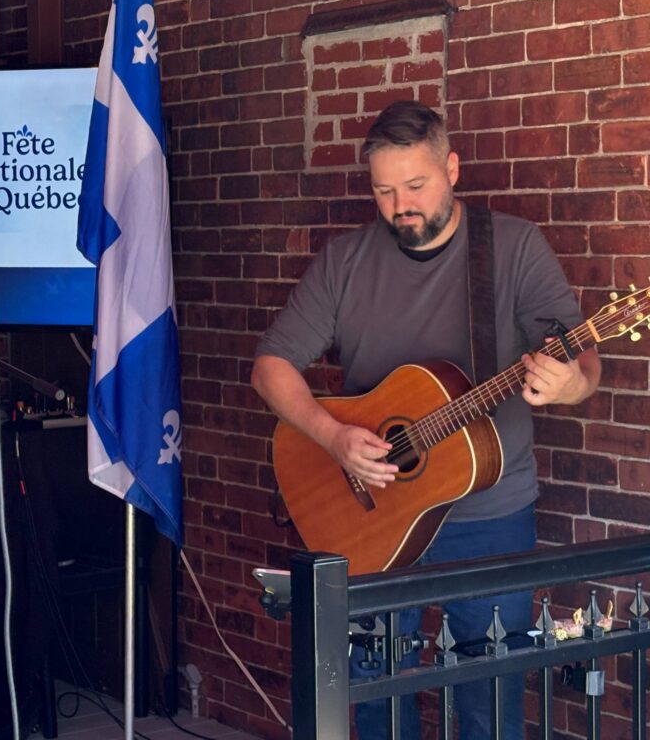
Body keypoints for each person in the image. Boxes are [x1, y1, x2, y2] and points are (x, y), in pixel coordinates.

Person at [251, 100, 601, 739]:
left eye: (415, 185)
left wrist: (571, 383)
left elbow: (582, 359)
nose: (399, 205)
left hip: (489, 517)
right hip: (372, 516)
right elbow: (271, 365)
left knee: (487, 700)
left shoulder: (514, 246)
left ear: (453, 169)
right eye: (384, 191)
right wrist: (332, 437)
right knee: (376, 699)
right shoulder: (346, 261)